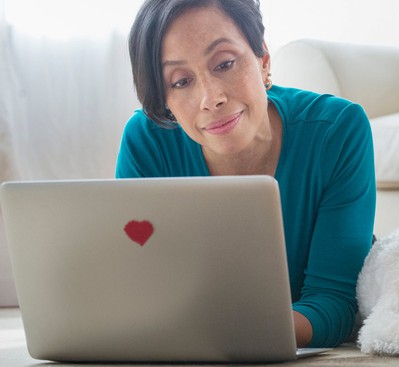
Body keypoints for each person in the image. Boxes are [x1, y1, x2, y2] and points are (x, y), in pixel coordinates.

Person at [116, 0, 376, 348]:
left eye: (224, 63)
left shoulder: (338, 130)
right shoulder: (146, 142)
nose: (211, 98)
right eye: (180, 82)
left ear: (263, 61)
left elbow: (333, 303)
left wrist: (233, 332)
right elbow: (135, 287)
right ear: (165, 102)